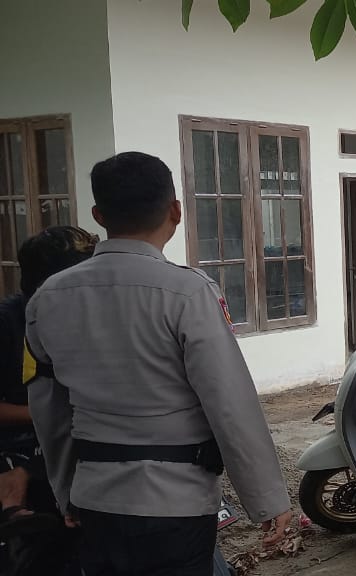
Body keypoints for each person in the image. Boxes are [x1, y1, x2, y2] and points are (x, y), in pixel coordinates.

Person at [24, 151, 292, 576]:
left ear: (98, 215)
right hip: (175, 503)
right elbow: (230, 403)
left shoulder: (47, 298)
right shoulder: (187, 292)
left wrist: (65, 492)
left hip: (95, 500)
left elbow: (49, 411)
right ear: (176, 211)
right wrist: (267, 498)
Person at [0, 226, 97, 576]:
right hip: (23, 444)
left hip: (81, 444)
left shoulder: (96, 319)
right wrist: (44, 413)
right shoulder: (8, 323)